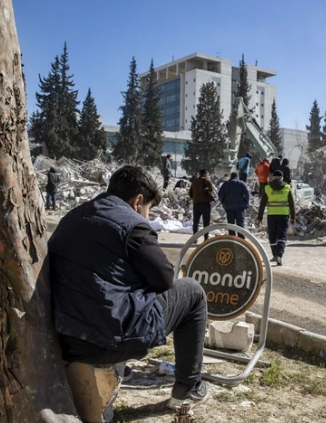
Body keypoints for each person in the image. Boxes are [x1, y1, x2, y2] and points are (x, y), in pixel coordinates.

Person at [48, 165, 208, 410]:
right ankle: (188, 388)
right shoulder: (134, 226)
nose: (146, 216)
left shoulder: (74, 216)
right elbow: (164, 280)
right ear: (138, 201)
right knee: (192, 291)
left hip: (66, 338)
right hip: (104, 343)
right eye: (147, 210)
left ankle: (120, 367)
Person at [257, 170, 296, 266]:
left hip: (272, 215)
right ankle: (279, 255)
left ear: (272, 177)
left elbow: (262, 205)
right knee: (282, 236)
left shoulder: (267, 188)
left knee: (272, 235)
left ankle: (275, 254)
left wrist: (260, 217)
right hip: (283, 215)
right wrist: (293, 217)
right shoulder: (287, 187)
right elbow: (292, 204)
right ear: (282, 178)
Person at [218, 172, 251, 238]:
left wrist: (223, 203)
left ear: (230, 176)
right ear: (237, 176)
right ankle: (241, 240)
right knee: (240, 225)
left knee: (231, 225)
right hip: (240, 207)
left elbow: (220, 194)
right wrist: (246, 203)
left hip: (229, 207)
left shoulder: (226, 184)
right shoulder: (241, 183)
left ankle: (232, 239)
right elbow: (247, 194)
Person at [189, 169, 214, 241]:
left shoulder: (194, 182)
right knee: (206, 222)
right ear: (205, 174)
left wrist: (195, 199)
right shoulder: (206, 180)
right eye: (207, 174)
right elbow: (211, 189)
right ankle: (206, 238)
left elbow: (190, 193)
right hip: (205, 204)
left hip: (196, 203)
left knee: (195, 222)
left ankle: (194, 238)